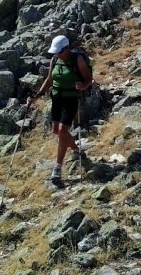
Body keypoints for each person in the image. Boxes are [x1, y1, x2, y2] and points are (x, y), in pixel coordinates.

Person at [27, 35, 93, 181]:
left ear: (67, 48)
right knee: (56, 131)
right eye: (56, 52)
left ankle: (57, 168)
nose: (57, 54)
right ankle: (76, 150)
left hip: (71, 98)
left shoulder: (78, 60)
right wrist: (37, 96)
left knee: (63, 130)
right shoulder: (55, 59)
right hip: (56, 98)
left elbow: (89, 78)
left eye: (60, 52)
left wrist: (82, 86)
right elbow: (49, 80)